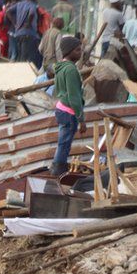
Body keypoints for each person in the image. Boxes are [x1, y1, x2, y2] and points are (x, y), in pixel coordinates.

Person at [51, 36, 86, 176]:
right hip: (69, 111)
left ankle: (58, 168)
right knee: (64, 144)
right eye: (77, 50)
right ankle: (57, 171)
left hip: (61, 108)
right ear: (69, 51)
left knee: (63, 142)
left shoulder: (61, 66)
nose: (80, 53)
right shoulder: (71, 70)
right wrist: (81, 118)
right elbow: (74, 97)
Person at [12, 0, 43, 64]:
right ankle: (23, 73)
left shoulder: (19, 4)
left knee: (20, 55)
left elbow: (8, 12)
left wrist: (15, 23)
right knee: (27, 57)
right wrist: (28, 23)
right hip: (29, 34)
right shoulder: (32, 4)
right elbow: (32, 13)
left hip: (18, 33)